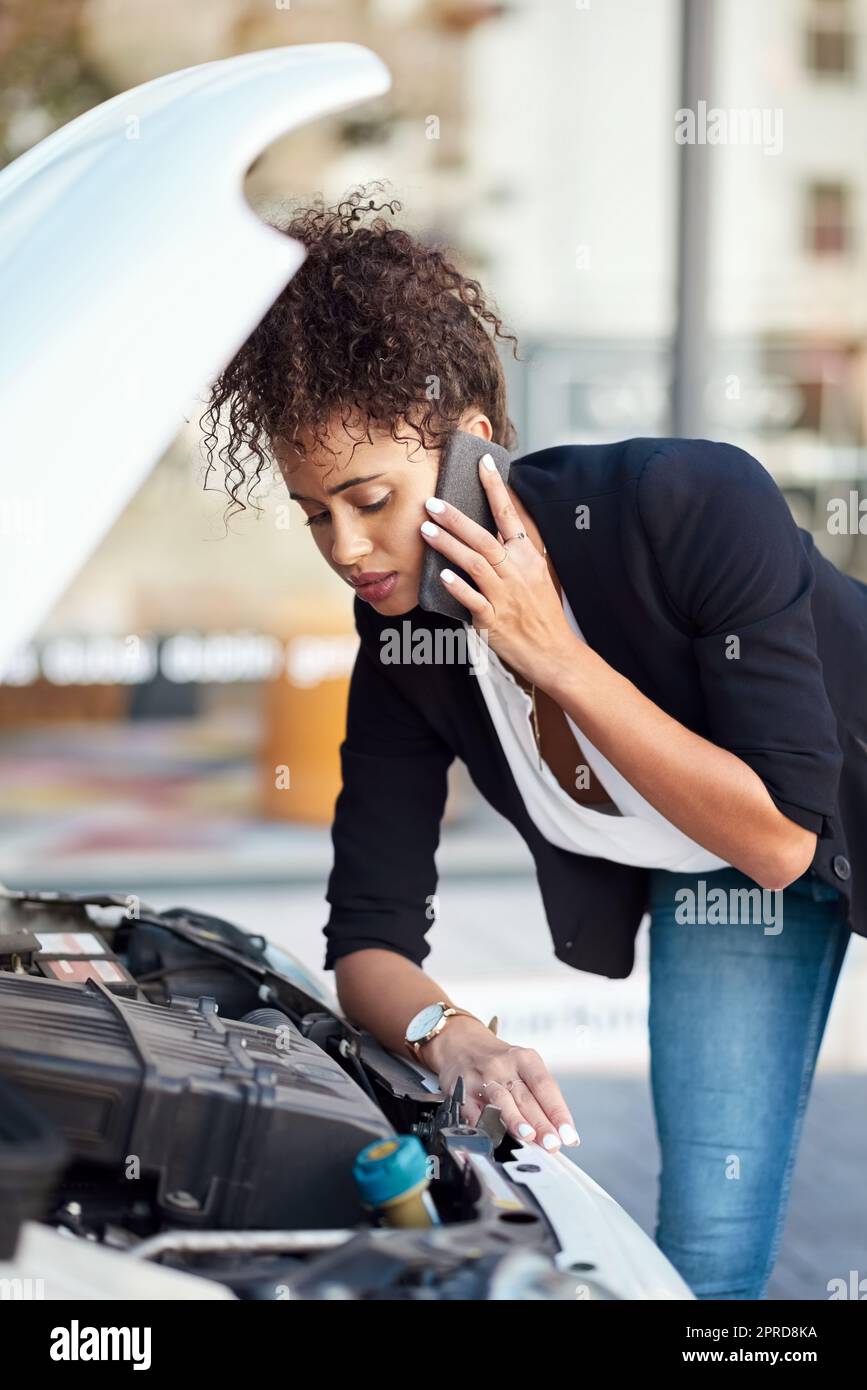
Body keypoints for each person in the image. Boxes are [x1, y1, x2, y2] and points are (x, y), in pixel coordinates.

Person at [202, 184, 866, 1299]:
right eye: (318, 512)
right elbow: (365, 935)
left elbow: (782, 836)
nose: (349, 548)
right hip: (723, 883)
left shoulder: (691, 501)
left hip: (789, 816)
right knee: (705, 1253)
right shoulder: (403, 646)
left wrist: (555, 655)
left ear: (474, 448)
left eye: (371, 497)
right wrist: (451, 1033)